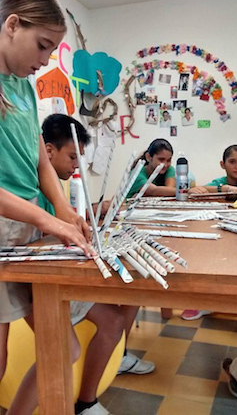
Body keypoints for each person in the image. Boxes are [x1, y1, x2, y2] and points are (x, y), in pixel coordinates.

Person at [0, 0, 96, 415]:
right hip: (5, 228)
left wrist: (63, 210)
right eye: (42, 46)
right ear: (12, 25)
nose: (44, 62)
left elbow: (40, 160)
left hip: (26, 227)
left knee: (63, 347)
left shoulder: (23, 85)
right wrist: (52, 221)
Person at [40, 113, 155, 415]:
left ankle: (98, 385)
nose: (76, 165)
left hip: (63, 274)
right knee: (113, 318)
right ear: (47, 151)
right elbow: (45, 232)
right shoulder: (39, 184)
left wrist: (94, 213)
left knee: (129, 299)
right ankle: (85, 402)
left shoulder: (59, 184)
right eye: (72, 157)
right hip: (45, 284)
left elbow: (65, 220)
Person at [182, 144, 237, 321]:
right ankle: (209, 301)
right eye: (232, 162)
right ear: (223, 164)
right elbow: (193, 193)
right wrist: (224, 189)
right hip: (225, 234)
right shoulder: (219, 183)